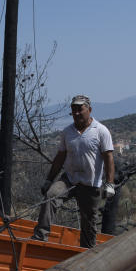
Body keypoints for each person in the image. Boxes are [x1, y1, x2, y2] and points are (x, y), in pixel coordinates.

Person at [32, 95, 115, 248]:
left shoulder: (101, 131)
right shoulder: (67, 132)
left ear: (89, 110)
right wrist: (49, 180)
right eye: (74, 110)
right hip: (69, 179)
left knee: (89, 222)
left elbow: (108, 158)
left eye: (80, 109)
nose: (76, 113)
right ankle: (40, 237)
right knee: (50, 197)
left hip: (90, 184)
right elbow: (60, 157)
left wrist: (110, 184)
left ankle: (87, 253)